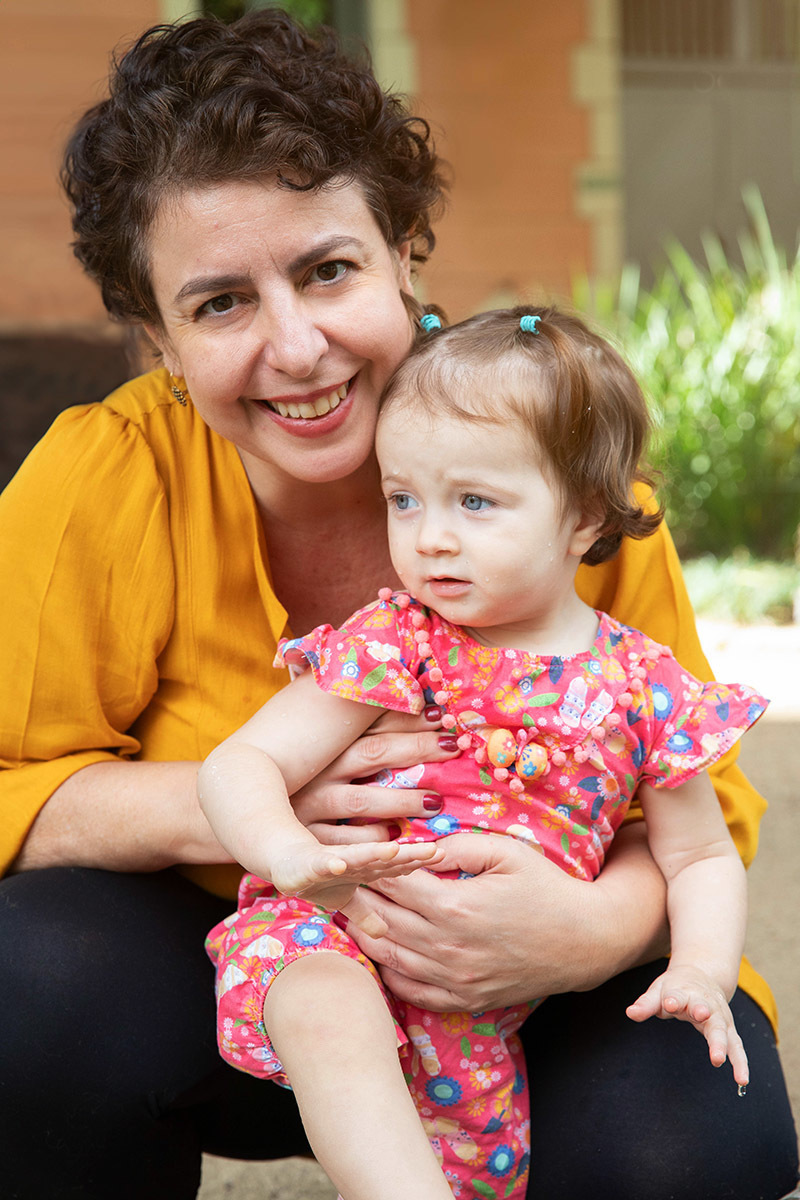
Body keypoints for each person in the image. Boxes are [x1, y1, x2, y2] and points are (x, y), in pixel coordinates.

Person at [0, 10, 796, 1200]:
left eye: (327, 269)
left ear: (404, 254)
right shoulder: (104, 478)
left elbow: (697, 812)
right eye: (219, 303)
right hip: (253, 974)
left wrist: (587, 932)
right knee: (29, 986)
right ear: (157, 338)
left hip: (527, 986)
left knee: (697, 1148)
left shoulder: (567, 485)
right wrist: (262, 811)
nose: (296, 345)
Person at [198, 306, 760, 1200]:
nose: (430, 536)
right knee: (327, 1010)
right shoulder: (399, 642)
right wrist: (288, 853)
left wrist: (700, 970)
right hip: (335, 933)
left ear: (582, 515)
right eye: (403, 499)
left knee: (480, 1172)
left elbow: (698, 853)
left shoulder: (645, 684)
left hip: (489, 1007)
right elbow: (240, 764)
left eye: (475, 502)